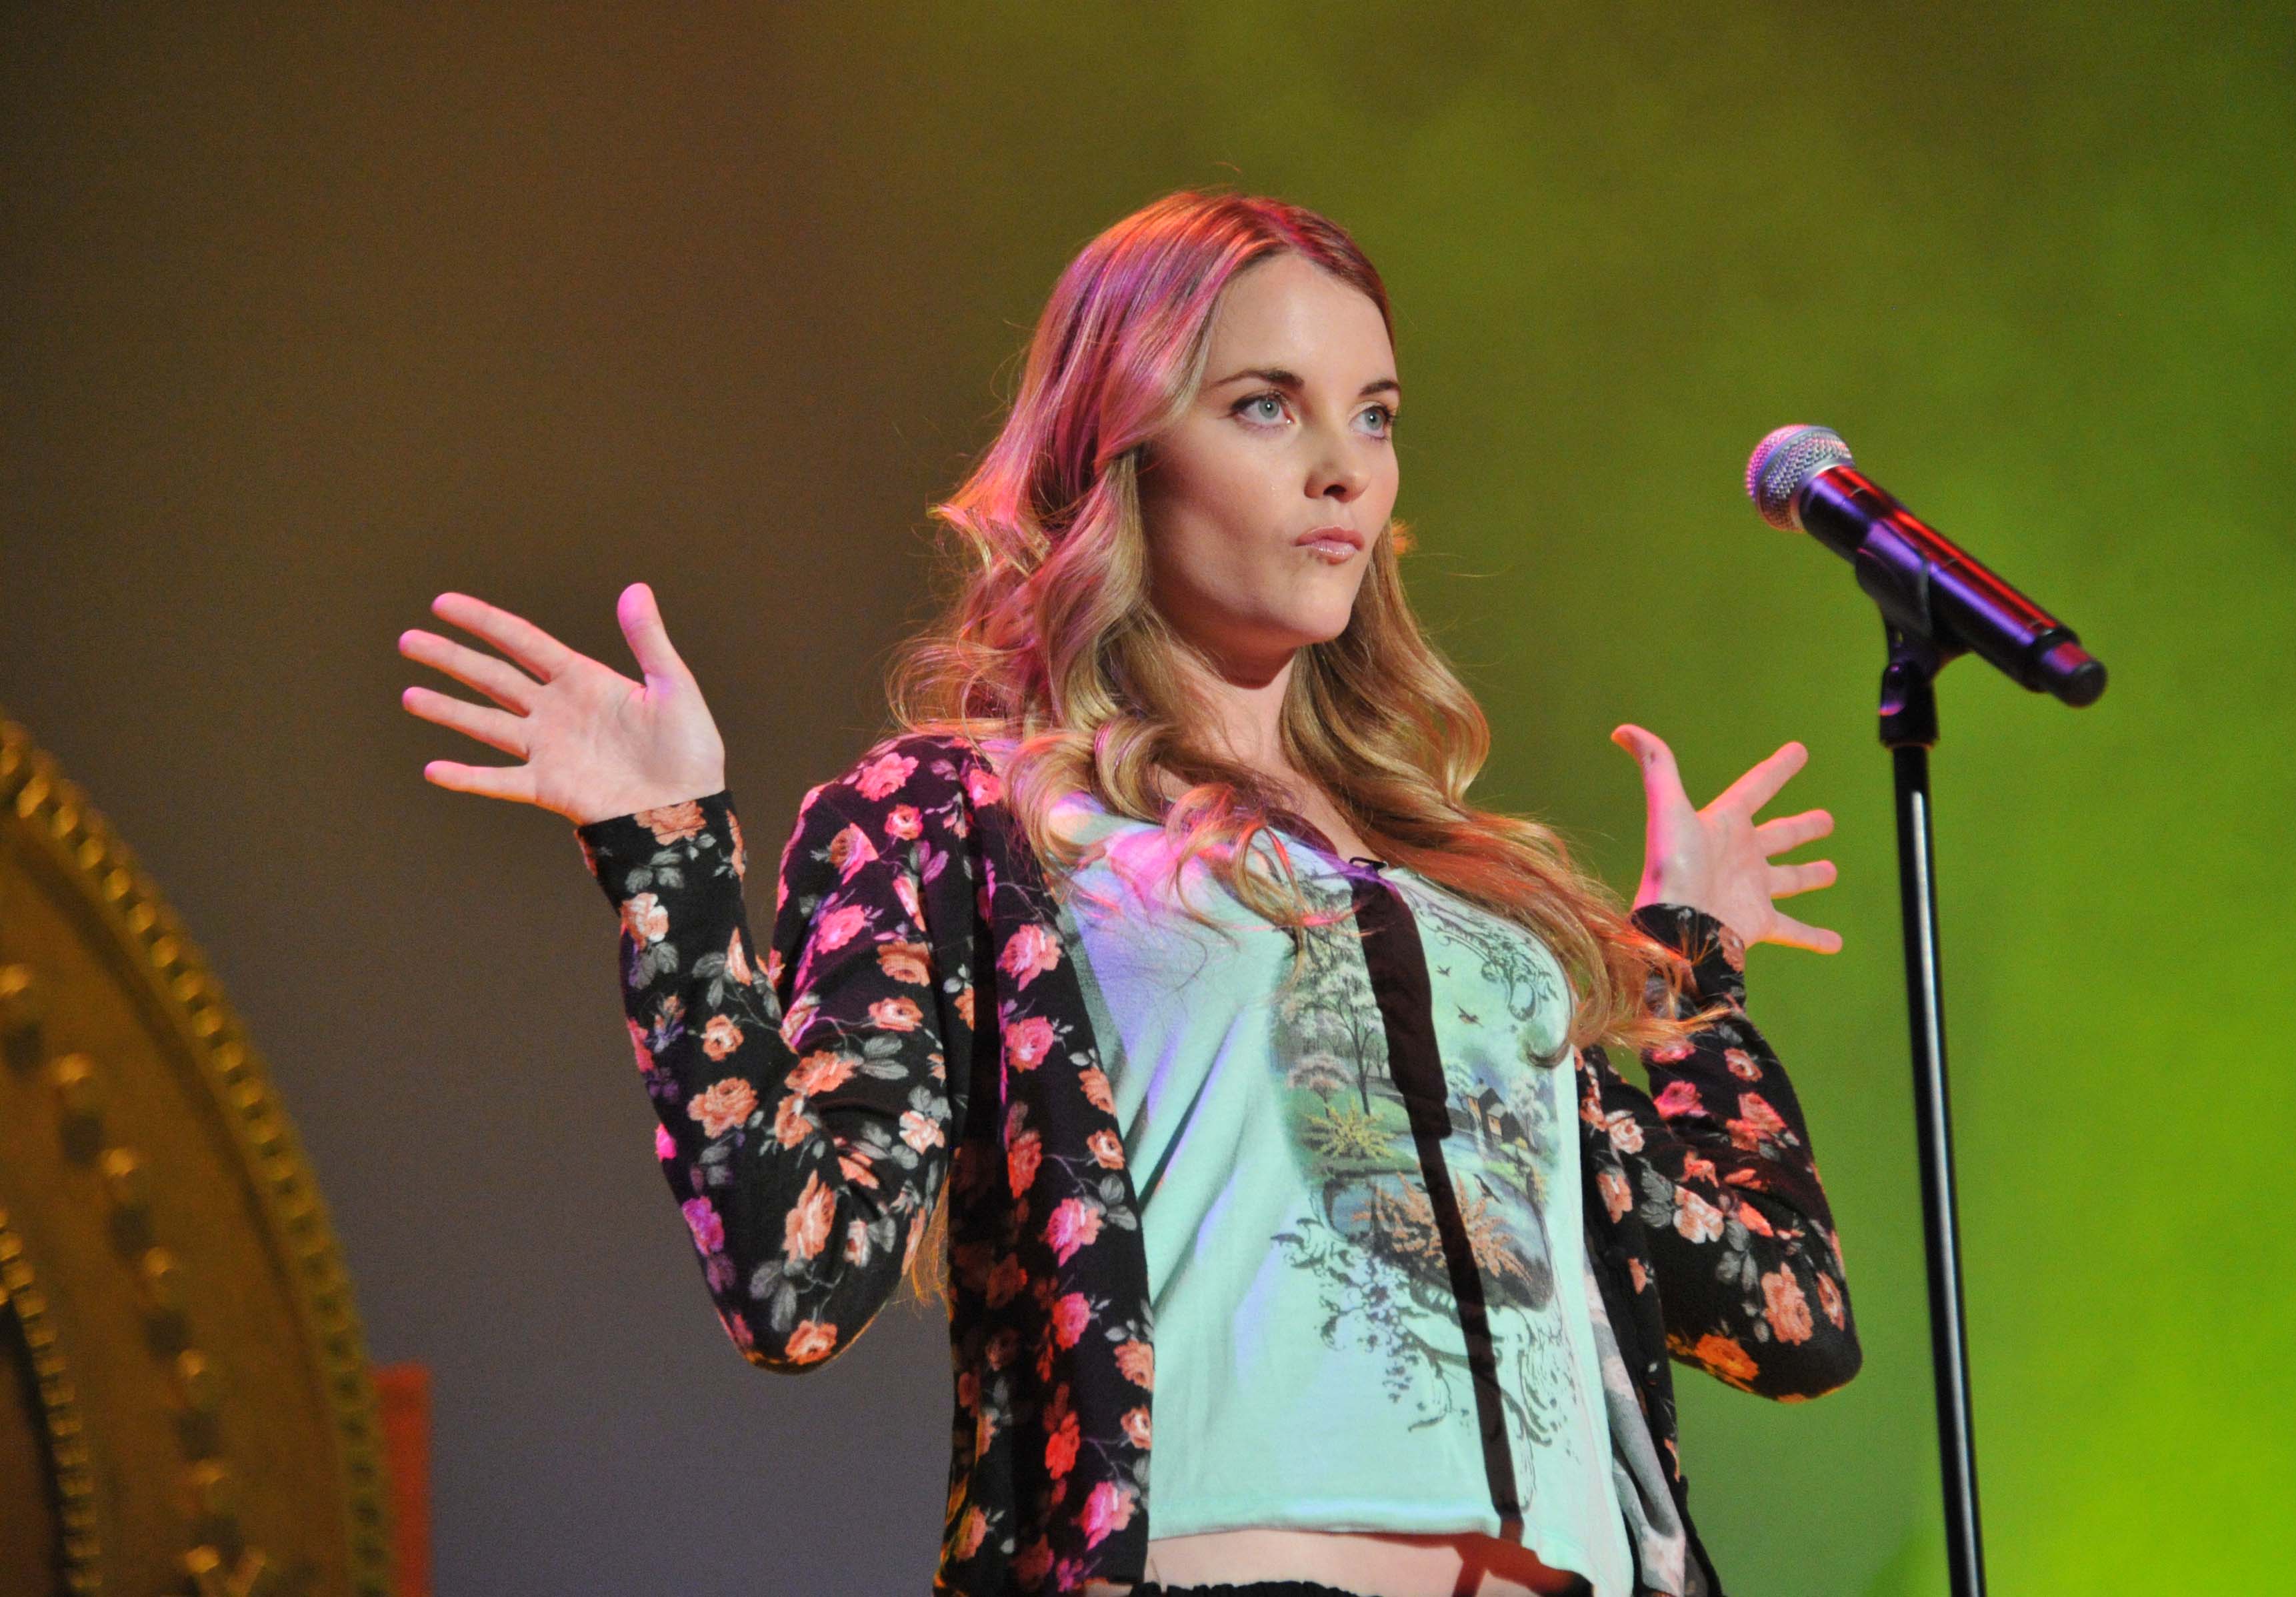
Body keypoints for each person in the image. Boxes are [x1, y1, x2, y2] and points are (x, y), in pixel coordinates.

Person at [398, 189, 1860, 1597]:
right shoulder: (967, 825)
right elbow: (797, 1275)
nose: (1344, 466)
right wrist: (667, 853)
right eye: (1265, 405)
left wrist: (1688, 970)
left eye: (1377, 414)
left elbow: (1792, 1316)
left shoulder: (1472, 920)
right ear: (1122, 448)